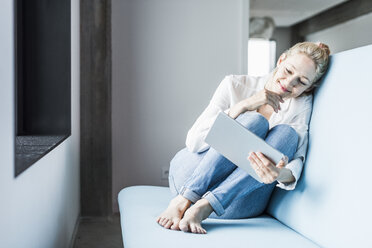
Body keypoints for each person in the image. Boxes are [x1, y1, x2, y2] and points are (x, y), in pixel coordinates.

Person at [156, 42, 330, 234]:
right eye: (288, 70)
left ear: (309, 87)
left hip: (235, 202)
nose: (289, 83)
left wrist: (277, 174)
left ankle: (204, 206)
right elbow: (193, 141)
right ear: (281, 60)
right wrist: (243, 106)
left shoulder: (301, 105)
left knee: (287, 135)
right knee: (255, 121)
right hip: (189, 178)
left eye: (302, 81)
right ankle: (184, 199)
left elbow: (296, 163)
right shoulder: (235, 84)